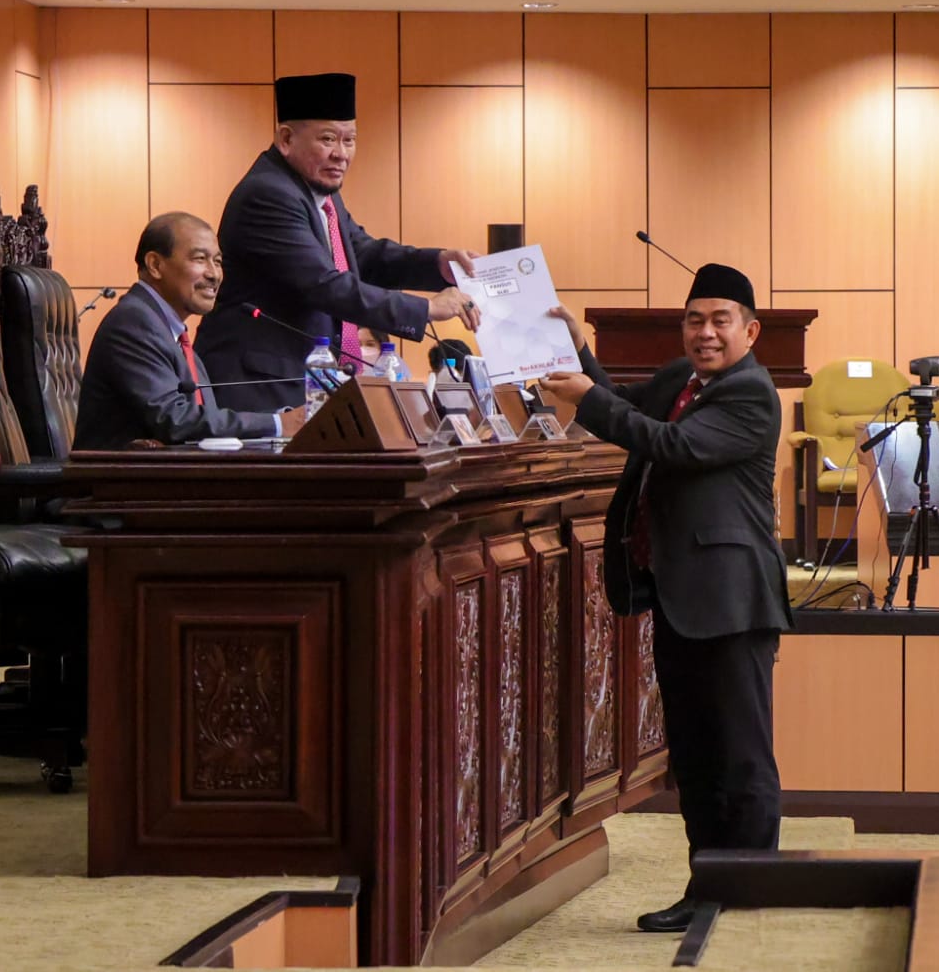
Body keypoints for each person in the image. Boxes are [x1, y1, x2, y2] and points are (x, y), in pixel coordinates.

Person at [537, 263, 793, 934]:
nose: (705, 333)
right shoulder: (684, 379)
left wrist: (585, 401)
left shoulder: (752, 393)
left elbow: (670, 444)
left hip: (733, 600)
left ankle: (749, 891)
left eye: (719, 321)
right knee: (696, 756)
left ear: (749, 331)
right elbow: (623, 400)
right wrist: (576, 349)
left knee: (741, 755)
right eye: (694, 319)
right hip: (680, 596)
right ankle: (707, 885)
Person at [194, 71, 482, 411]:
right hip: (258, 387)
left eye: (350, 140)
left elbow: (363, 255)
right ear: (286, 139)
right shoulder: (268, 194)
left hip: (300, 381)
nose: (341, 154)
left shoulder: (316, 192)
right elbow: (325, 284)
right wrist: (426, 309)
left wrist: (438, 265)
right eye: (328, 139)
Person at [74, 212, 301, 450]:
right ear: (155, 265)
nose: (214, 274)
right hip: (120, 473)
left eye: (218, 262)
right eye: (200, 259)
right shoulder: (133, 323)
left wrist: (281, 420)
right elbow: (176, 420)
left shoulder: (166, 330)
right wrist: (278, 424)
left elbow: (204, 422)